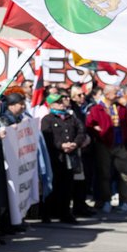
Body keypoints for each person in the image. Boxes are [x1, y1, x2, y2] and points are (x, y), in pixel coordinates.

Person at [86, 85, 127, 214]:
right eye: (115, 92)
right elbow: (89, 125)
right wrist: (97, 131)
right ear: (107, 94)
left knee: (125, 174)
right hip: (104, 145)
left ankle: (123, 202)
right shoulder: (97, 109)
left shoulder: (122, 109)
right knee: (104, 174)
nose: (119, 94)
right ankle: (106, 201)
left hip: (120, 145)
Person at [42, 89, 87, 223]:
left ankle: (65, 213)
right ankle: (48, 212)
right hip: (55, 157)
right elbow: (47, 136)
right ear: (51, 105)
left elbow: (81, 131)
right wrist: (60, 145)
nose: (62, 104)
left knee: (68, 186)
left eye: (62, 101)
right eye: (57, 102)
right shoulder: (47, 119)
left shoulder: (71, 117)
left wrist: (75, 143)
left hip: (70, 156)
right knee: (53, 184)